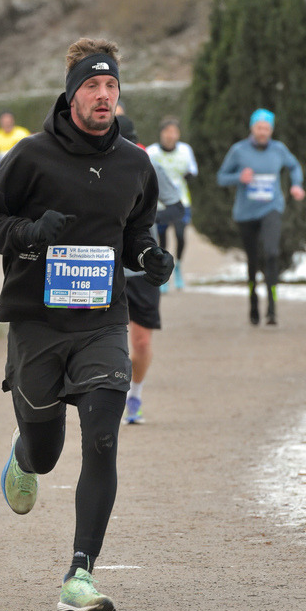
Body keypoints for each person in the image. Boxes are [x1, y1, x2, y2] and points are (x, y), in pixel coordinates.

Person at [0, 37, 173, 611]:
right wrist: (31, 233)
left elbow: (136, 235)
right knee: (47, 451)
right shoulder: (31, 157)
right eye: (92, 86)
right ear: (72, 93)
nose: (103, 95)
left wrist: (150, 257)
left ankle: (79, 574)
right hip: (37, 322)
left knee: (103, 436)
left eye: (111, 86)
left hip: (103, 319)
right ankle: (24, 454)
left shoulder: (135, 162)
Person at [217, 108, 305, 326]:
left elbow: (294, 166)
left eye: (267, 128)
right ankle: (254, 303)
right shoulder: (239, 150)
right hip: (246, 213)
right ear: (252, 128)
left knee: (272, 253)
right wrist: (239, 177)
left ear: (272, 129)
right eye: (259, 127)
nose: (263, 131)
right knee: (253, 260)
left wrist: (296, 184)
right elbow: (221, 177)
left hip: (271, 208)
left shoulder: (279, 149)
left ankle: (273, 308)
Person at [124, 157, 182, 425]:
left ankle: (135, 395)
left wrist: (143, 217)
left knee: (141, 342)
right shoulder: (83, 162)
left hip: (141, 269)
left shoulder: (148, 164)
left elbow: (176, 208)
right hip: (100, 270)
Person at [147, 117, 197, 290]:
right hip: (159, 204)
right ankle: (163, 274)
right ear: (161, 134)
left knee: (181, 236)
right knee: (162, 240)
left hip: (181, 201)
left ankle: (179, 267)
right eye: (167, 132)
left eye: (174, 132)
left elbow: (192, 171)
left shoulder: (185, 150)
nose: (170, 136)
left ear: (178, 134)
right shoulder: (152, 152)